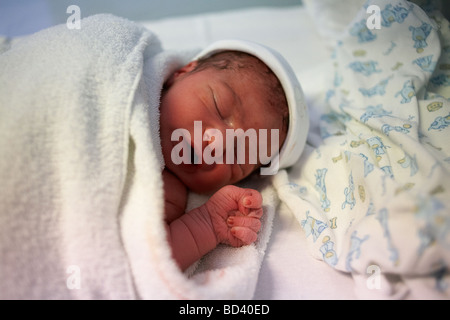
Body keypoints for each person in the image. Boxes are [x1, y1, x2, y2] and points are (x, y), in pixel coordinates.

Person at [159, 40, 309, 270]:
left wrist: (208, 223)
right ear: (182, 72)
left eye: (238, 156)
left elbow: (151, 258)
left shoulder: (168, 194)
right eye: (218, 107)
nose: (218, 144)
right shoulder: (133, 77)